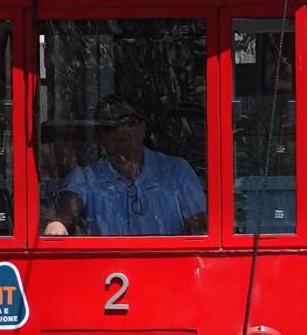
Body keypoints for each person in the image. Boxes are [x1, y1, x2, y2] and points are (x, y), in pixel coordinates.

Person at [42, 97, 206, 237]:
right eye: (109, 126)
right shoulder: (86, 178)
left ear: (143, 127)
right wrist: (57, 225)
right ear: (99, 137)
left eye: (128, 122)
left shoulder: (176, 171)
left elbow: (202, 229)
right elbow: (62, 217)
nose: (120, 130)